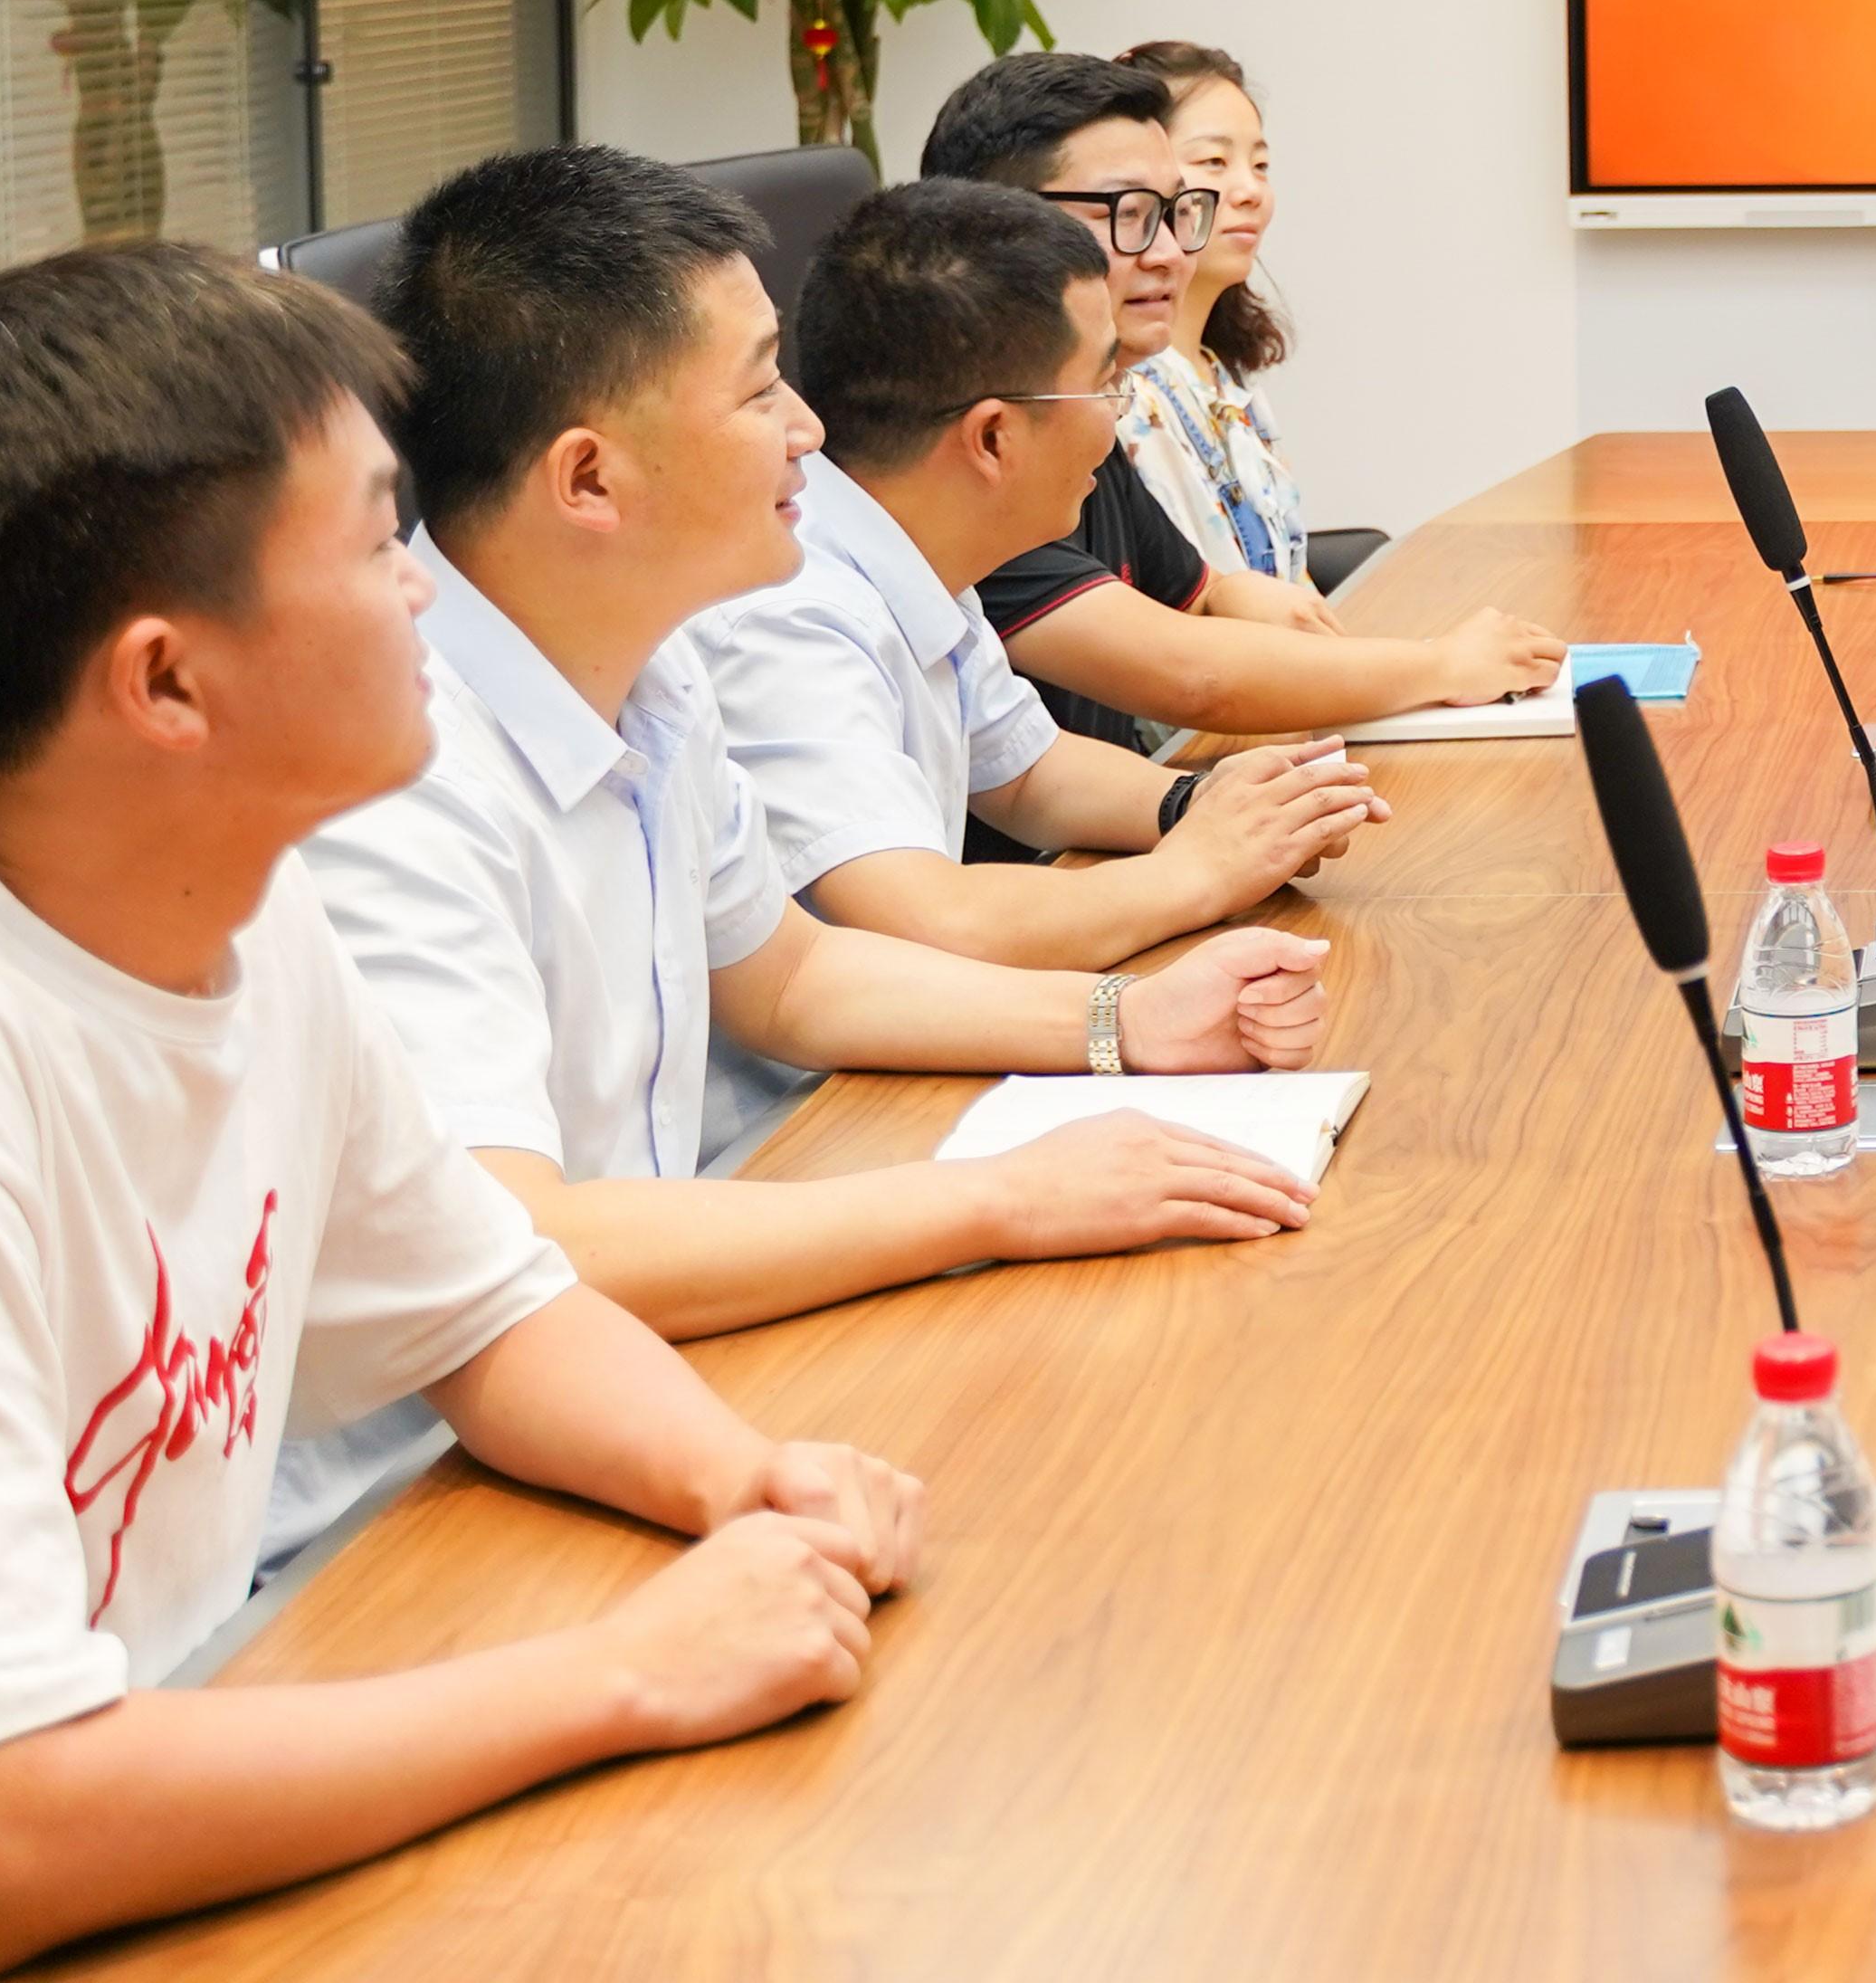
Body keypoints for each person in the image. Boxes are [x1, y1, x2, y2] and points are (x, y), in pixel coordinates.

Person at [0, 244, 921, 1983]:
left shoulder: (229, 902)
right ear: (168, 685)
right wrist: (633, 1670)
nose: (428, 592)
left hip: (139, 1781)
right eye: (381, 545)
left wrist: (745, 1484)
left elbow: (488, 1311)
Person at [275, 148, 1338, 1559]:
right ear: (589, 479)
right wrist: (1005, 1198)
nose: (810, 431)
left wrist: (1122, 1021)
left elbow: (793, 977)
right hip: (405, 1516)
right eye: (761, 390)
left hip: (650, 1362)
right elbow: (524, 1246)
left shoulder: (649, 669)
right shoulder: (396, 781)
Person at [702, 179, 1392, 970]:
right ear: (993, 439)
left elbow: (1029, 774)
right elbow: (934, 923)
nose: (1120, 414)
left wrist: (1207, 802)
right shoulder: (789, 616)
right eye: (1106, 383)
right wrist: (1200, 869)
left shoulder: (911, 542)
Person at [918, 53, 1553, 752]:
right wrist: (1442, 666)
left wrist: (1270, 607)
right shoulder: (964, 450)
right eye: (1130, 215)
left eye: (1175, 214)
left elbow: (1206, 596)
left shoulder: (1084, 406)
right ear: (999, 226)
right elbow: (1188, 676)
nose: (1169, 255)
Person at [1113, 38, 1322, 593]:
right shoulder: (1123, 394)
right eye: (1214, 162)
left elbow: (1293, 582)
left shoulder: (1221, 380)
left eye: (1261, 165)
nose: (1251, 190)